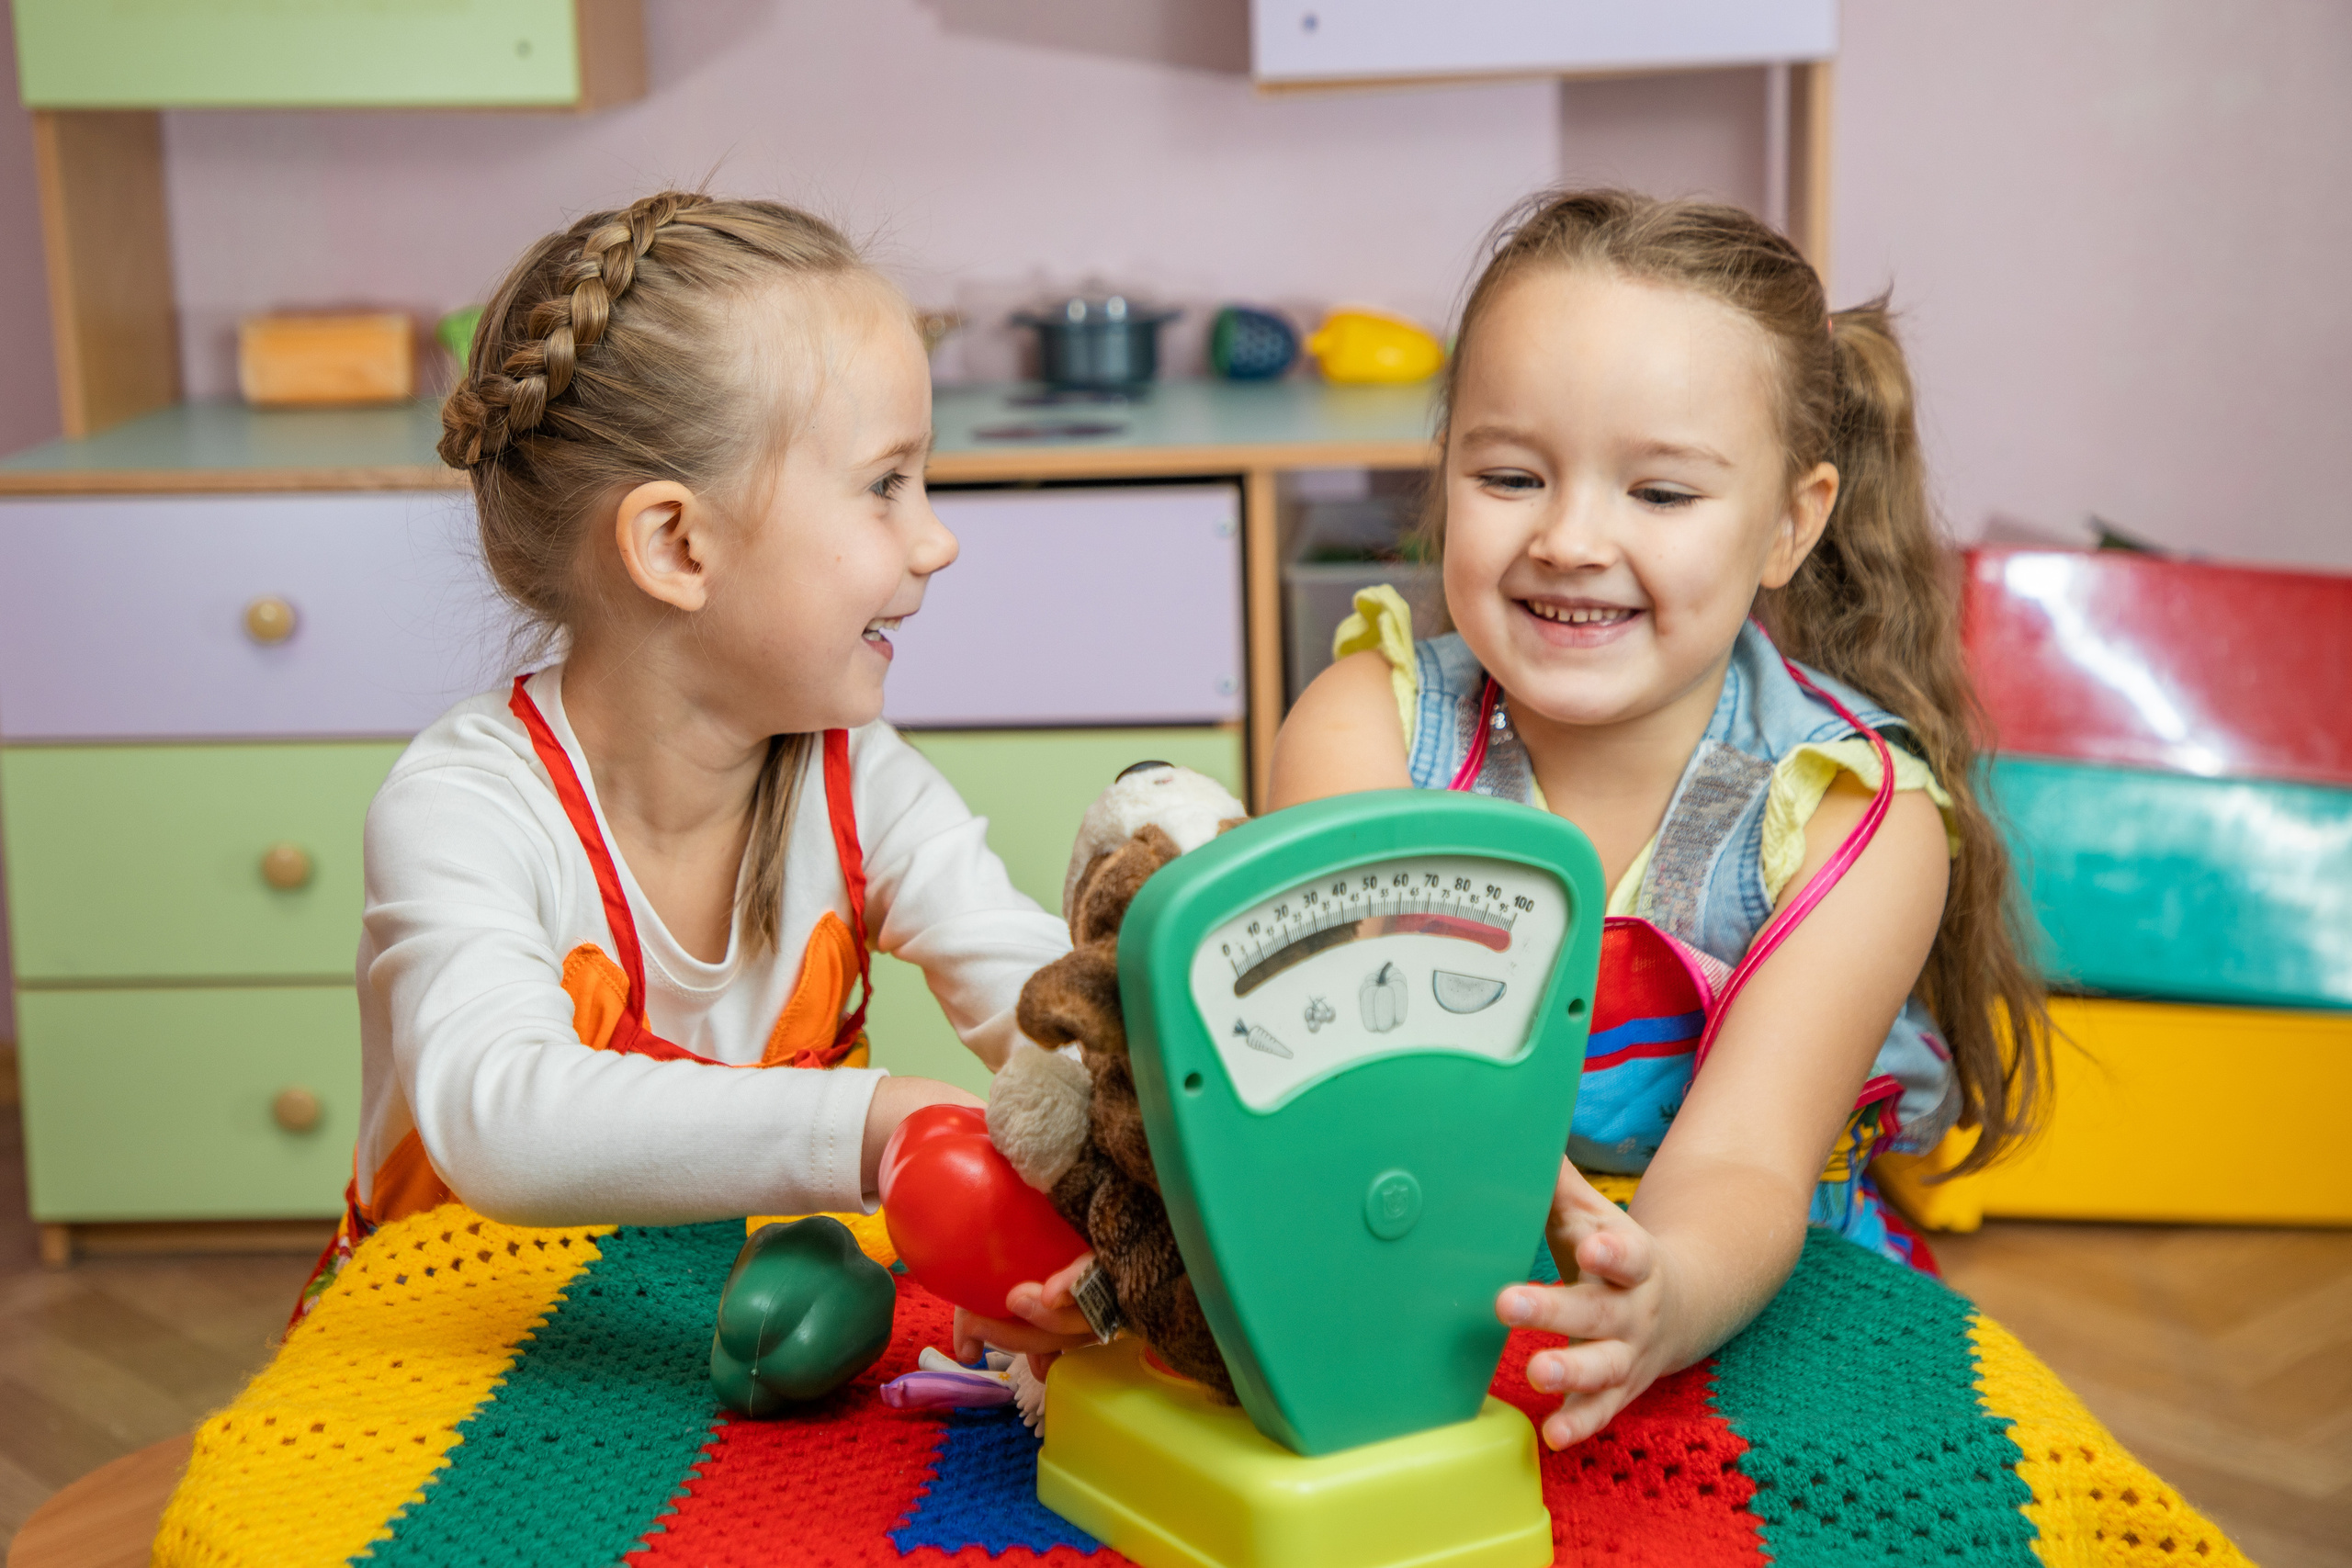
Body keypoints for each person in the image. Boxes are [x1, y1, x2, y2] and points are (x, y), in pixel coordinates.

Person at [1272, 190, 2051, 1449]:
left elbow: (1743, 1162)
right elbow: (1350, 1080)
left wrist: (1663, 1295)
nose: (1571, 539)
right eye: (1510, 476)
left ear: (1790, 523)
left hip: (1745, 1301)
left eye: (1661, 493)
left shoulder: (1855, 819)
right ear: (1446, 471)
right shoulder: (1363, 720)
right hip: (1410, 1270)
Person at [305, 192, 1069, 1316]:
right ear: (675, 544)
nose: (935, 539)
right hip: (447, 1355)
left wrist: (1129, 1117)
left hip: (722, 1345)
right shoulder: (466, 804)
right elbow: (501, 1120)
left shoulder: (862, 779)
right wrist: (871, 1124)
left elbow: (1044, 1010)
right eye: (883, 484)